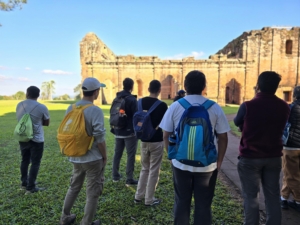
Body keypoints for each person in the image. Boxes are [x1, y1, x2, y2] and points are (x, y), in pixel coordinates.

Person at [160, 70, 230, 225]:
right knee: (204, 205)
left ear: (185, 86)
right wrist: (219, 162)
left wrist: (172, 156)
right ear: (204, 86)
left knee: (181, 202)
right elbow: (223, 137)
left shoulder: (176, 106)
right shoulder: (214, 107)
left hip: (180, 163)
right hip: (207, 166)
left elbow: (166, 134)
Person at [234, 71, 290, 225]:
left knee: (251, 197)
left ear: (258, 86)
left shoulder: (248, 105)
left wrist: (244, 126)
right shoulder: (284, 107)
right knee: (272, 195)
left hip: (250, 157)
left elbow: (237, 121)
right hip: (273, 157)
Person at [59, 77, 107, 225]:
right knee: (92, 193)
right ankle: (86, 223)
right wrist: (104, 157)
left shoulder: (71, 108)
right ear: (96, 92)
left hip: (74, 156)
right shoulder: (95, 110)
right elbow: (99, 138)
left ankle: (65, 217)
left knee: (74, 187)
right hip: (92, 158)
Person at [134, 80, 168, 206]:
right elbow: (164, 124)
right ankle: (149, 199)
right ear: (159, 90)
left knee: (144, 169)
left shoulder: (140, 102)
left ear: (148, 88)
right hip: (156, 140)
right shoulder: (163, 105)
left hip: (143, 140)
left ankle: (138, 196)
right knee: (154, 170)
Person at [16, 86, 50, 194]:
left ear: (27, 93)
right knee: (35, 163)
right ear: (38, 95)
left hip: (23, 137)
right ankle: (31, 188)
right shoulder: (42, 107)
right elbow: (47, 123)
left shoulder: (19, 105)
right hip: (37, 139)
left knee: (24, 160)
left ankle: (24, 183)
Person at [111, 78, 139, 186]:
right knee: (130, 155)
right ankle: (129, 179)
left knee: (117, 153)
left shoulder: (117, 97)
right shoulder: (132, 99)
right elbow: (136, 116)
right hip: (129, 132)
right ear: (132, 87)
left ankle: (115, 176)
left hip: (117, 129)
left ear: (123, 85)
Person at [280, 86, 300, 213]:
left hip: (291, 145)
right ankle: (284, 198)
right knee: (290, 173)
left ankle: (298, 200)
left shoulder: (290, 107)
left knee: (291, 175)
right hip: (294, 145)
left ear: (295, 95)